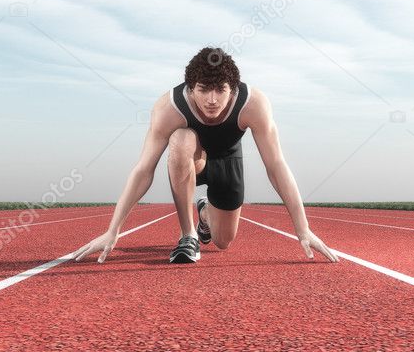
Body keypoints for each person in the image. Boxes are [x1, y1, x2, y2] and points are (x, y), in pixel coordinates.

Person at [73, 47, 339, 264]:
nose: (212, 100)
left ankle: (205, 215)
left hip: (228, 163)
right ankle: (188, 235)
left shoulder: (254, 104)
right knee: (180, 139)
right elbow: (144, 169)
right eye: (203, 89)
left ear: (232, 88)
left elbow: (276, 165)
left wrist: (302, 229)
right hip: (193, 158)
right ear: (190, 88)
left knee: (223, 242)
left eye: (220, 90)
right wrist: (113, 230)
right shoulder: (169, 108)